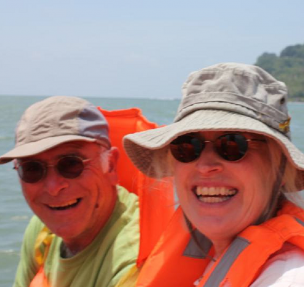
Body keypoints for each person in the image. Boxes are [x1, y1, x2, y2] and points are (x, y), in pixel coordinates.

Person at [123, 63, 304, 286]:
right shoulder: (214, 260)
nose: (205, 166)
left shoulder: (288, 277)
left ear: (280, 168)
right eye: (187, 145)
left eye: (233, 145)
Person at [0, 96, 140, 287]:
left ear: (111, 165)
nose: (53, 187)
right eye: (32, 169)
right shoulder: (41, 229)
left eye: (71, 164)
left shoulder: (134, 259)